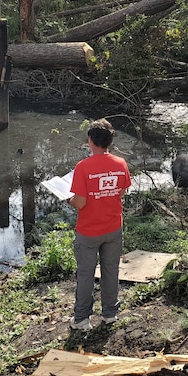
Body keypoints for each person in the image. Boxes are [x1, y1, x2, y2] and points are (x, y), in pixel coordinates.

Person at [66, 118, 132, 331]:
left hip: (89, 231)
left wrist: (69, 200)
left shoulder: (83, 167)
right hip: (113, 228)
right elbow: (122, 190)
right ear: (109, 143)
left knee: (86, 274)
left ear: (91, 141)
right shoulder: (120, 163)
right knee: (110, 270)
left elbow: (81, 202)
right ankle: (110, 314)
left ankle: (82, 319)